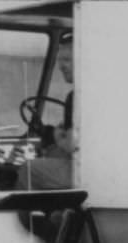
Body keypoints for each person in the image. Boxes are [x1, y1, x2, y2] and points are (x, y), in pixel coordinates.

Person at [27, 32, 75, 190]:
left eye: (67, 60)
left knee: (28, 170)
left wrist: (57, 137)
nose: (61, 66)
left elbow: (72, 145)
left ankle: (22, 215)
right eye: (60, 60)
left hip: (84, 170)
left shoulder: (76, 97)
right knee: (51, 154)